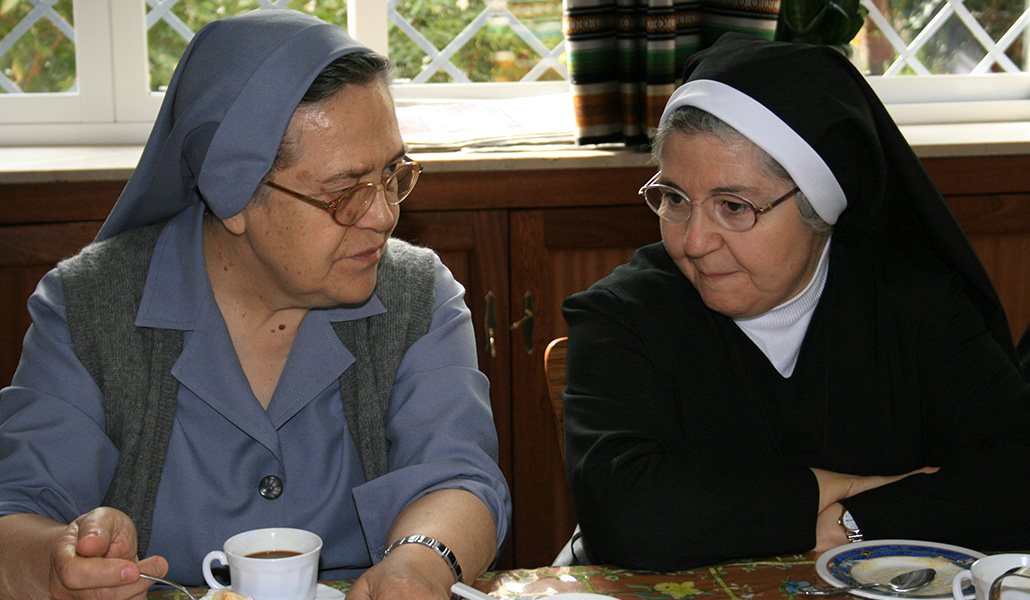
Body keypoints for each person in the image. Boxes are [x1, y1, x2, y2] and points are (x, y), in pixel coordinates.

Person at [0, 9, 510, 600]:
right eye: (345, 191)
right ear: (232, 195)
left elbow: (458, 476)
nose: (383, 216)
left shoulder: (417, 295)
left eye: (392, 173)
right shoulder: (90, 307)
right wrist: (61, 562)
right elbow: (16, 509)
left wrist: (419, 564)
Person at [560, 32, 1030, 571]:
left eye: (733, 206)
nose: (693, 241)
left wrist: (856, 521)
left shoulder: (916, 306)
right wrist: (846, 490)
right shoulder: (621, 317)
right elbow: (629, 515)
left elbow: (1018, 476)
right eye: (674, 198)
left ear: (817, 209)